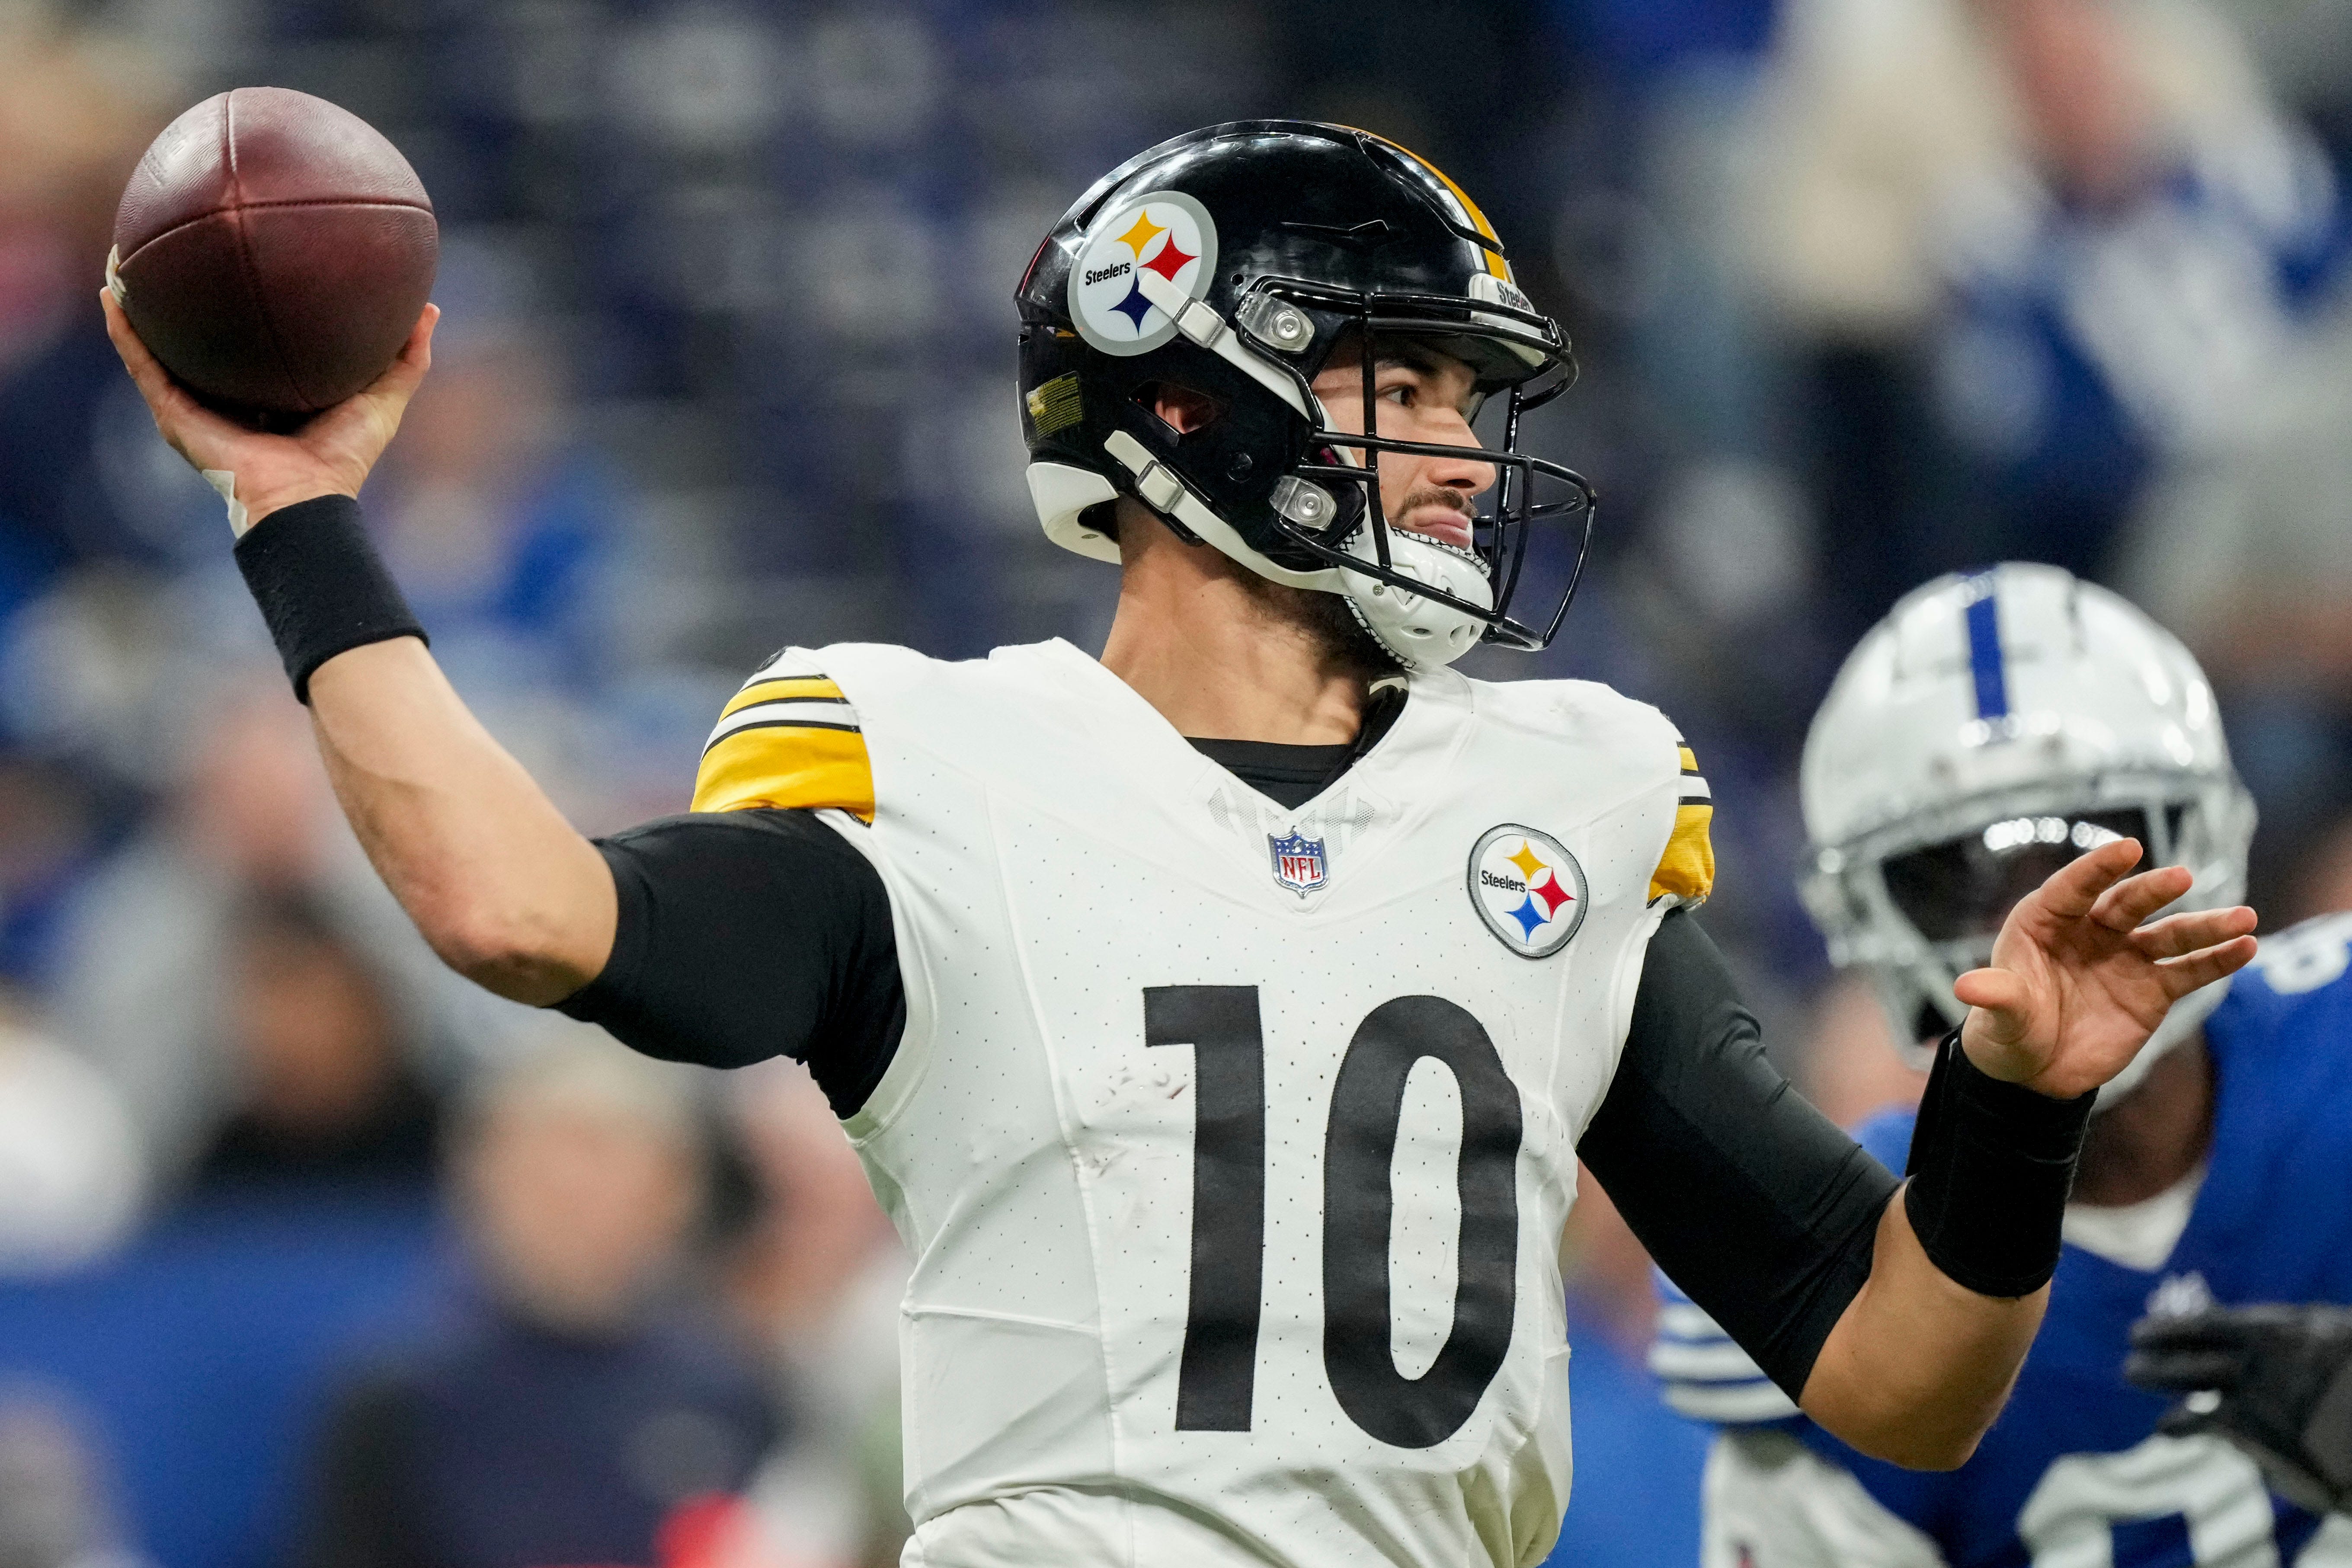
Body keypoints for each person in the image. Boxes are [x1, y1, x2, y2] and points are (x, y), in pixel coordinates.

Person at [104, 122, 2258, 1568]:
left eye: (1462, 403)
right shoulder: (939, 763)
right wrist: (295, 508)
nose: (1455, 457)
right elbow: (515, 903)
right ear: (1190, 396)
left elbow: (1899, 1373)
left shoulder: (1565, 798)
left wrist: (2003, 1117)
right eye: (1397, 386)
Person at [1648, 564, 2352, 1566]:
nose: (2045, 932)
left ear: (2210, 838)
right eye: (1957, 881)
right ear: (1865, 919)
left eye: (2096, 853)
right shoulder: (1839, 1253)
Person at [301, 1040, 777, 1568]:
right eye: (542, 1164)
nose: (573, 1192)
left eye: (605, 1161)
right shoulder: (399, 1394)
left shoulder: (733, 1390)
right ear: (478, 1178)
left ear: (677, 1191)